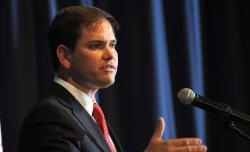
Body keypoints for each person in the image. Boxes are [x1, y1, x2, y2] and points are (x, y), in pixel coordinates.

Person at [18, 5, 207, 152]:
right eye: (95, 45)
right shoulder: (51, 116)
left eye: (112, 45)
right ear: (65, 56)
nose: (111, 55)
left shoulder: (90, 115)